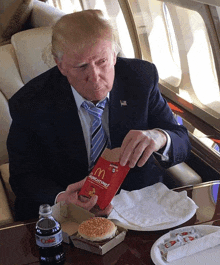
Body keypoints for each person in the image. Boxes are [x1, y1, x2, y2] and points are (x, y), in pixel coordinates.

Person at [7, 10, 191, 221]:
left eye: (102, 62)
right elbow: (23, 176)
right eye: (81, 66)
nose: (94, 77)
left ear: (114, 55)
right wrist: (61, 199)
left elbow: (182, 140)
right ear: (61, 65)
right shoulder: (30, 102)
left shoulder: (140, 78)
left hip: (136, 201)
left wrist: (160, 137)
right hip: (70, 208)